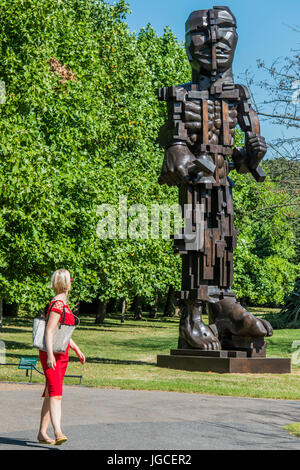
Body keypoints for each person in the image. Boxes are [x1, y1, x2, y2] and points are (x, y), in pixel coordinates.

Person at [37, 269, 85, 445]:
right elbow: (49, 332)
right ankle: (58, 431)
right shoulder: (57, 304)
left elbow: (62, 333)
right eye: (70, 279)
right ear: (65, 283)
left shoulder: (64, 303)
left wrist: (76, 349)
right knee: (56, 394)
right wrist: (50, 355)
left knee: (51, 393)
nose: (71, 282)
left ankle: (42, 433)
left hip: (61, 354)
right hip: (52, 355)